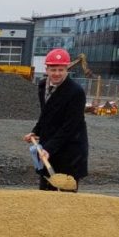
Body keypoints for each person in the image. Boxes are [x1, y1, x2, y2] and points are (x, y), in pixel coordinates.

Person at [24, 48, 89, 191]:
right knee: (46, 192)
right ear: (47, 69)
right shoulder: (43, 86)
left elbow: (70, 126)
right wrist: (36, 131)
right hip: (49, 147)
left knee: (65, 196)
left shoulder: (76, 92)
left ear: (67, 70)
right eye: (53, 70)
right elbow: (46, 114)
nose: (57, 73)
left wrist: (48, 148)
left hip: (70, 150)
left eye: (61, 70)